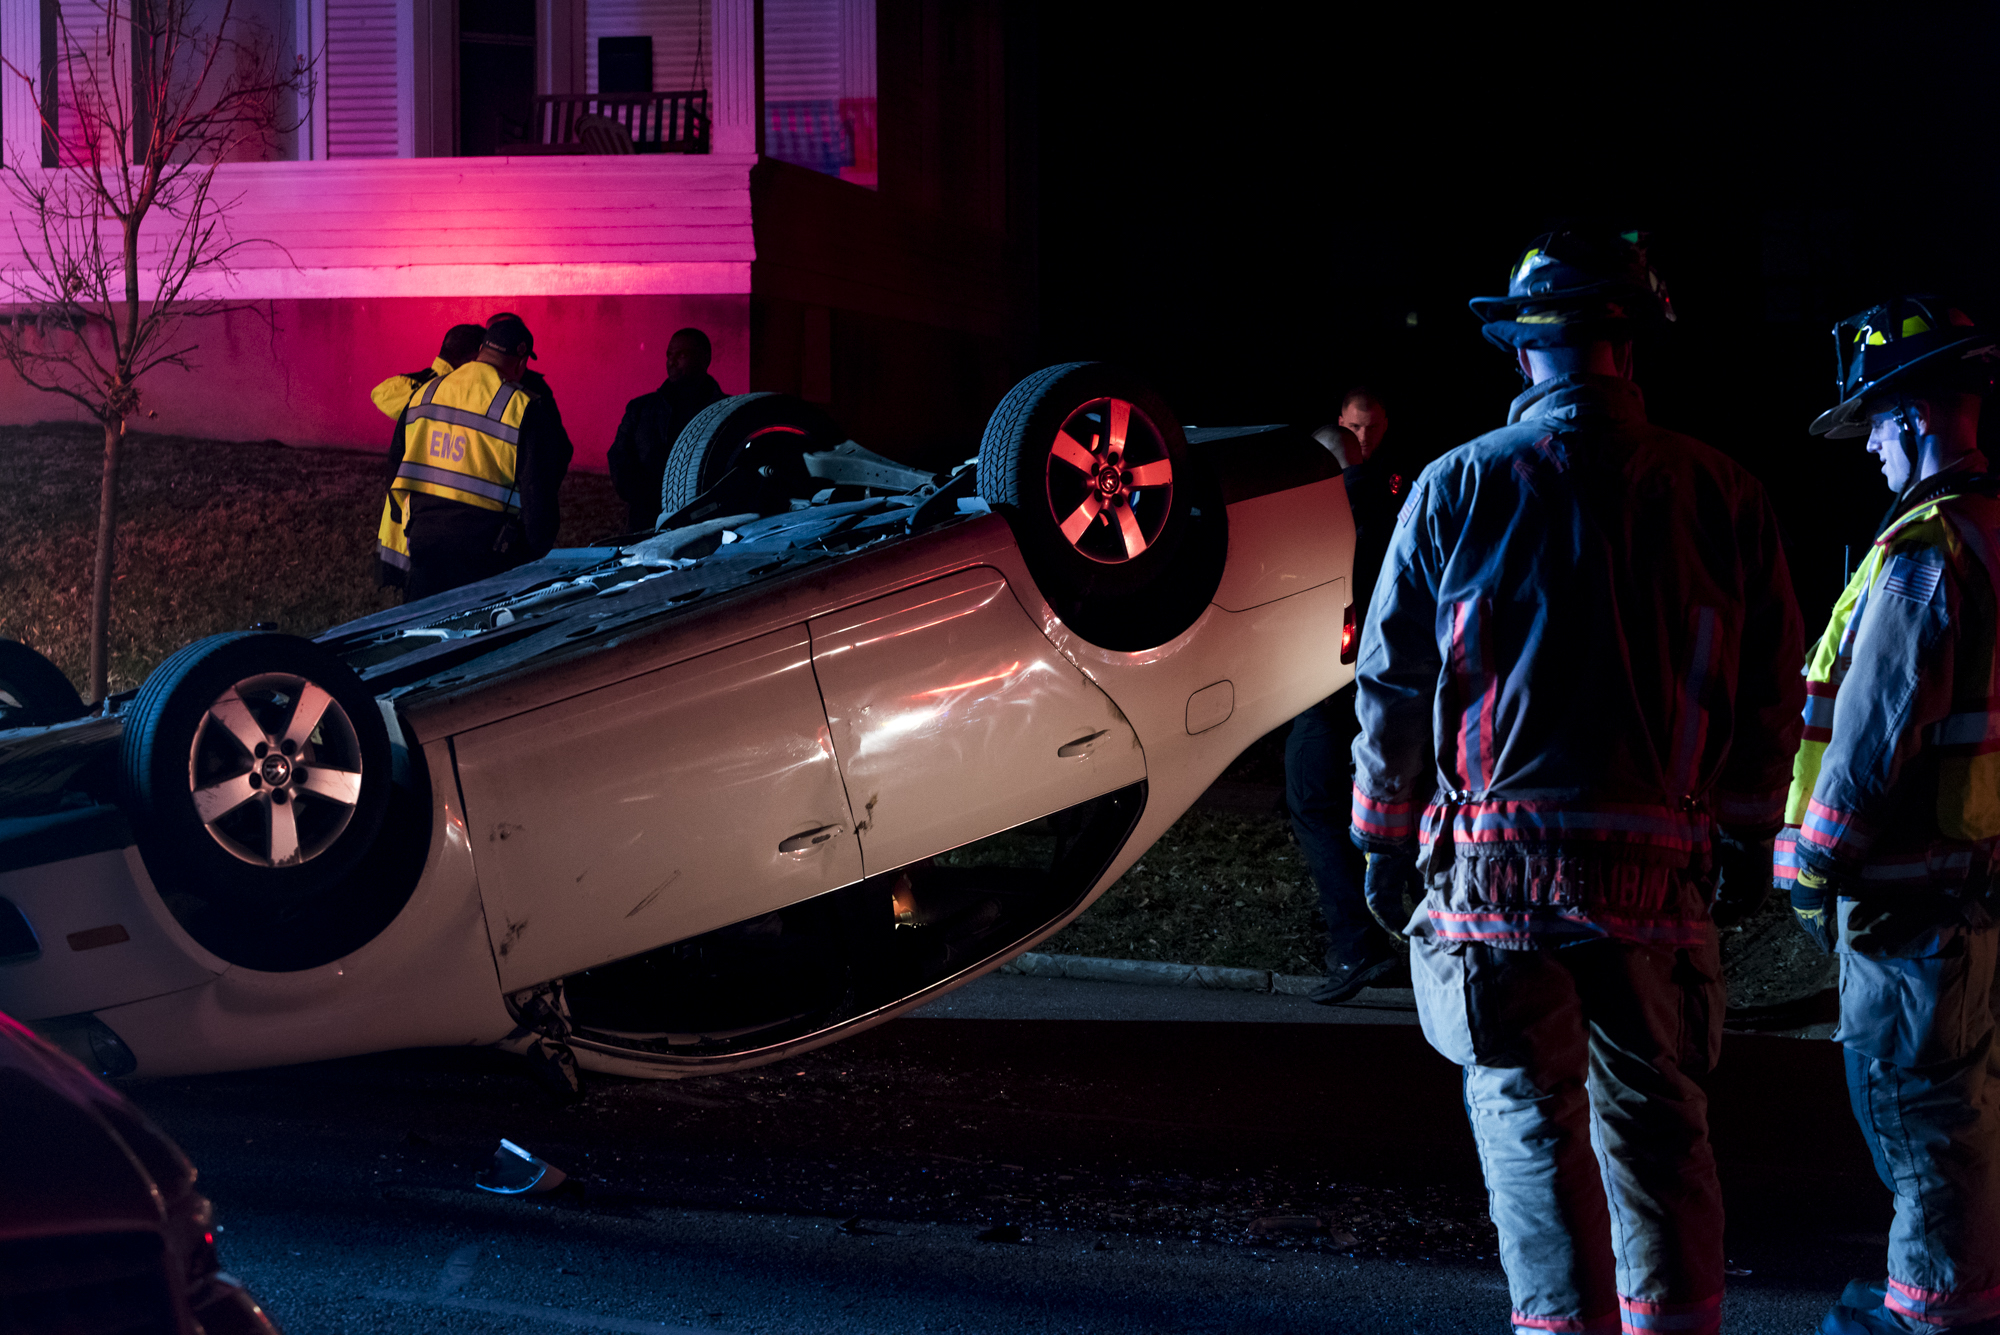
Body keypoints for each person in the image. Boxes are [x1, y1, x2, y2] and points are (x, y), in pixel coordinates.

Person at [1350, 230, 1804, 1335]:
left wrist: (1377, 835)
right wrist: (1746, 838)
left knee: (1528, 1123)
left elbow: (1393, 679)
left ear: (1518, 354)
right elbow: (1766, 693)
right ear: (1629, 348)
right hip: (1660, 884)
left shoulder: (1457, 487)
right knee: (1659, 1129)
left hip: (1496, 888)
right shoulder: (1724, 495)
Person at [1778, 297, 2000, 1335]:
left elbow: (1873, 737)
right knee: (1965, 1129)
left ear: (1908, 418)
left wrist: (1810, 867)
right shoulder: (1992, 533)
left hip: (1909, 919)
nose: (1865, 447)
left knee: (1919, 1138)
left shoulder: (1921, 552)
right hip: (1972, 899)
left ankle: (1929, 1318)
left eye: (1868, 424)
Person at [1288, 387, 1414, 1003]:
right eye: (1358, 431)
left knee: (1314, 804)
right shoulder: (1400, 505)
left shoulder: (1322, 513)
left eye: (1375, 430)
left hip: (1329, 684)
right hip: (1387, 682)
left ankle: (1356, 946)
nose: (1367, 442)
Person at [389, 312, 573, 602]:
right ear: (522, 362)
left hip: (425, 548)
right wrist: (534, 550)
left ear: (481, 352)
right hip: (487, 558)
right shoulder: (522, 407)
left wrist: (408, 523)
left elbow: (396, 466)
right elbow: (538, 492)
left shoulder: (424, 394)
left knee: (426, 640)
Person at [373, 323, 486, 588]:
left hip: (419, 513)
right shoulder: (441, 389)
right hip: (424, 515)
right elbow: (381, 393)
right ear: (473, 356)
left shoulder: (424, 388)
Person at [606, 327, 728, 533]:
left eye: (681, 355)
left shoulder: (725, 412)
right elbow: (619, 457)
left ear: (705, 359)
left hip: (707, 525)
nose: (671, 362)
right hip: (646, 524)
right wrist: (645, 495)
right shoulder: (640, 410)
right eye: (669, 355)